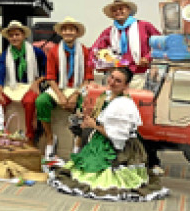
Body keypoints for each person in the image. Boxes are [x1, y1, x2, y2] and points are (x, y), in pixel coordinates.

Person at [48, 67, 169, 201]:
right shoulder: (106, 95)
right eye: (111, 77)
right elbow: (98, 117)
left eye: (118, 81)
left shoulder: (123, 105)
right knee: (82, 164)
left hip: (118, 147)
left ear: (125, 86)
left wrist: (94, 125)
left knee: (98, 175)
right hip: (102, 140)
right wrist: (87, 121)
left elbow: (117, 138)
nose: (111, 82)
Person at [35, 17, 95, 158]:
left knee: (86, 105)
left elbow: (87, 78)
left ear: (76, 33)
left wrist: (75, 95)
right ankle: (50, 138)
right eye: (65, 29)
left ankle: (78, 141)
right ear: (61, 33)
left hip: (78, 88)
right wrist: (61, 96)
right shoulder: (54, 51)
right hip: (59, 88)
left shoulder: (85, 51)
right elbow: (50, 78)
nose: (68, 32)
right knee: (41, 101)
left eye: (71, 29)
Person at [0, 20, 47, 140]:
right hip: (11, 85)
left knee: (29, 101)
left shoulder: (36, 52)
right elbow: (1, 72)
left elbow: (48, 71)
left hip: (29, 85)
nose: (14, 37)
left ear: (23, 36)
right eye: (11, 35)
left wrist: (37, 82)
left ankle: (30, 135)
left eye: (17, 34)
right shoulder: (6, 54)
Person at [91, 0, 161, 76]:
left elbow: (161, 44)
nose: (118, 11)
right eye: (114, 10)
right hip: (117, 74)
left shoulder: (144, 26)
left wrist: (148, 57)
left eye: (121, 9)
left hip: (141, 73)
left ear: (129, 10)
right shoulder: (108, 32)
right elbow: (95, 50)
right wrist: (101, 61)